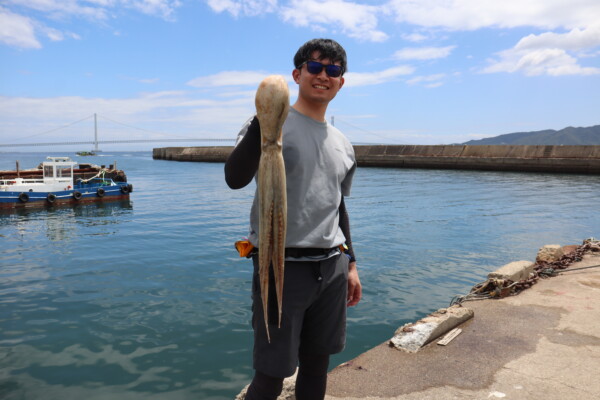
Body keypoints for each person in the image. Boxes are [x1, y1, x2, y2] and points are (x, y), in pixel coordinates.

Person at [225, 38, 362, 400]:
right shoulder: (272, 125)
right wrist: (263, 120)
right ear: (297, 74)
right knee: (272, 373)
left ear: (341, 81)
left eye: (333, 70)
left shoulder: (343, 143)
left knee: (317, 367)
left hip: (331, 266)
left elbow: (337, 206)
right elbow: (235, 178)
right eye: (314, 67)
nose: (323, 76)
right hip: (280, 267)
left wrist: (351, 264)